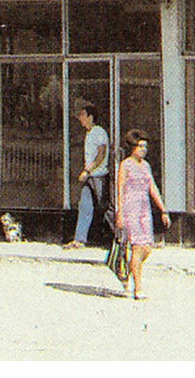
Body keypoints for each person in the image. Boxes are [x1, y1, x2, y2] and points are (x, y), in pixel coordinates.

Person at [114, 128, 170, 301]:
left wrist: (163, 209)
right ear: (132, 147)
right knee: (137, 247)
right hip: (130, 208)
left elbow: (152, 187)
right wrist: (120, 213)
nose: (144, 150)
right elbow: (120, 189)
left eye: (145, 146)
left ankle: (126, 271)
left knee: (147, 248)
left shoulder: (145, 166)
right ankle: (138, 288)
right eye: (140, 146)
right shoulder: (126, 165)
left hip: (144, 209)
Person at [64, 105, 109, 248]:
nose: (80, 118)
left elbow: (101, 154)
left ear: (90, 117)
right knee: (85, 206)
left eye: (83, 115)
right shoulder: (89, 134)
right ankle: (79, 239)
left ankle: (123, 236)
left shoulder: (98, 132)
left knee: (106, 207)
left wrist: (88, 171)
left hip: (98, 176)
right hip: (91, 177)